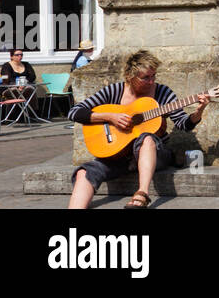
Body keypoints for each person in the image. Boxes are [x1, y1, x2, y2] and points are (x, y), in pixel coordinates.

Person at [67, 50, 209, 209]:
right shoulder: (114, 91)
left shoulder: (163, 93)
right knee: (84, 173)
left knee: (146, 138)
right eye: (146, 78)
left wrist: (199, 112)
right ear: (130, 77)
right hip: (117, 155)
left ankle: (142, 194)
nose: (151, 81)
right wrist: (110, 117)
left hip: (155, 153)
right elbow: (74, 112)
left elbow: (184, 124)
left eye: (153, 76)